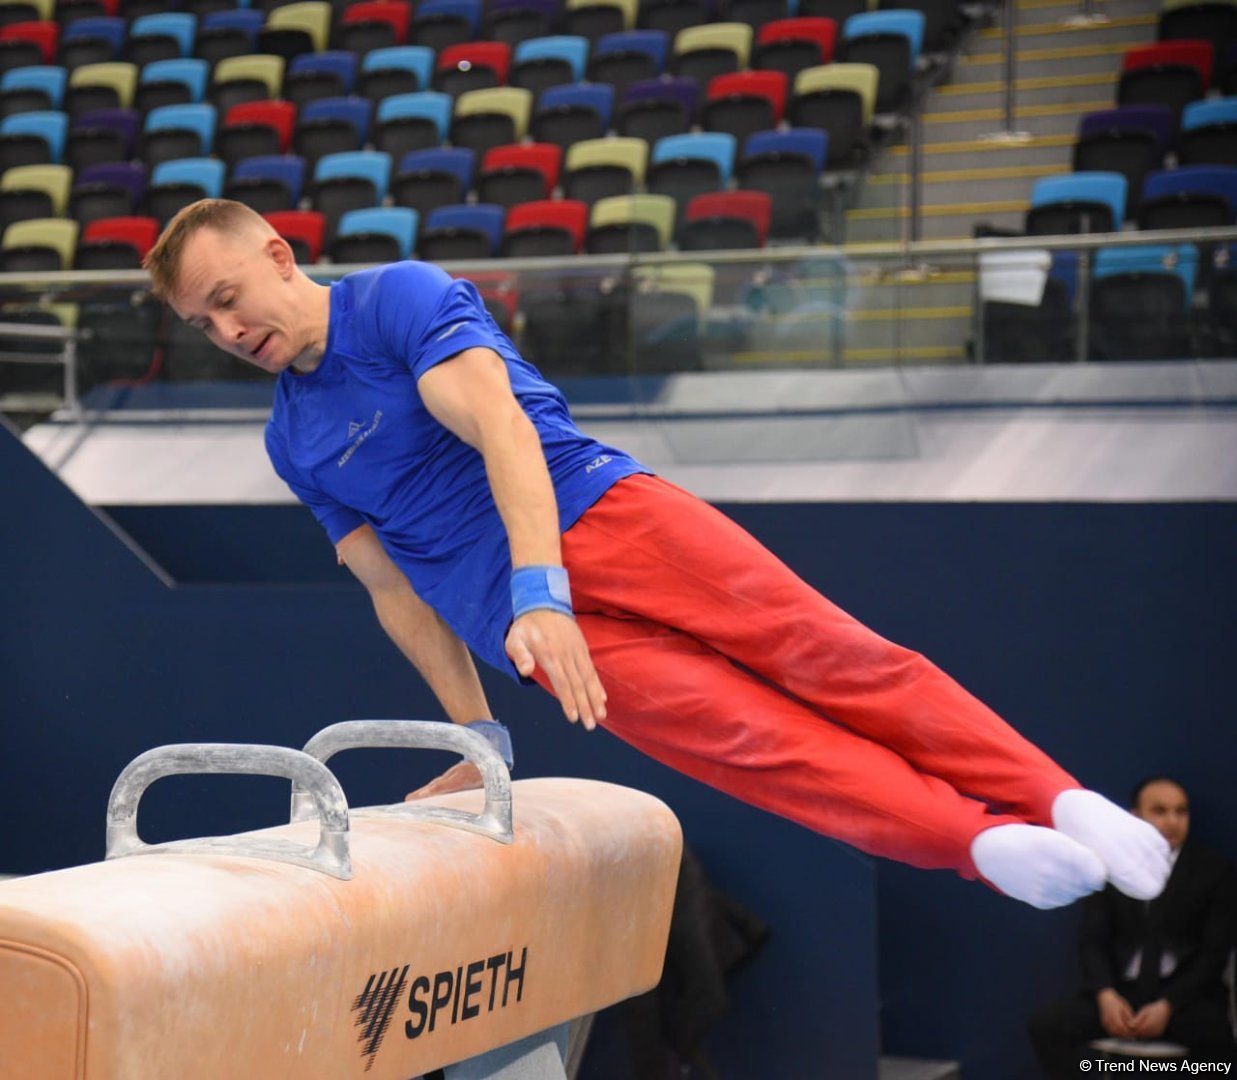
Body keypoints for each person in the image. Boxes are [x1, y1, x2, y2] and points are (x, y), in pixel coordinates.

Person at [144, 198, 1173, 912]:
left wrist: (543, 589)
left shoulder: (398, 299)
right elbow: (393, 590)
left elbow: (501, 429)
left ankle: (1057, 795)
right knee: (756, 749)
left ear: (280, 254)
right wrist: (477, 736)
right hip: (523, 632)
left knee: (829, 656)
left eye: (229, 296)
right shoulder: (293, 440)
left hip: (604, 519)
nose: (227, 329)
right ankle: (977, 845)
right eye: (203, 323)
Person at [1029, 777, 1237, 1075]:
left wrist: (1168, 1004)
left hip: (1186, 997)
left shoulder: (1214, 870)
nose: (1173, 821)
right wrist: (1106, 995)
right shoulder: (1112, 868)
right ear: (1135, 817)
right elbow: (1093, 939)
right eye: (1160, 811)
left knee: (1220, 1051)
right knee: (1046, 1027)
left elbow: (1214, 953)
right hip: (1122, 994)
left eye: (1181, 811)